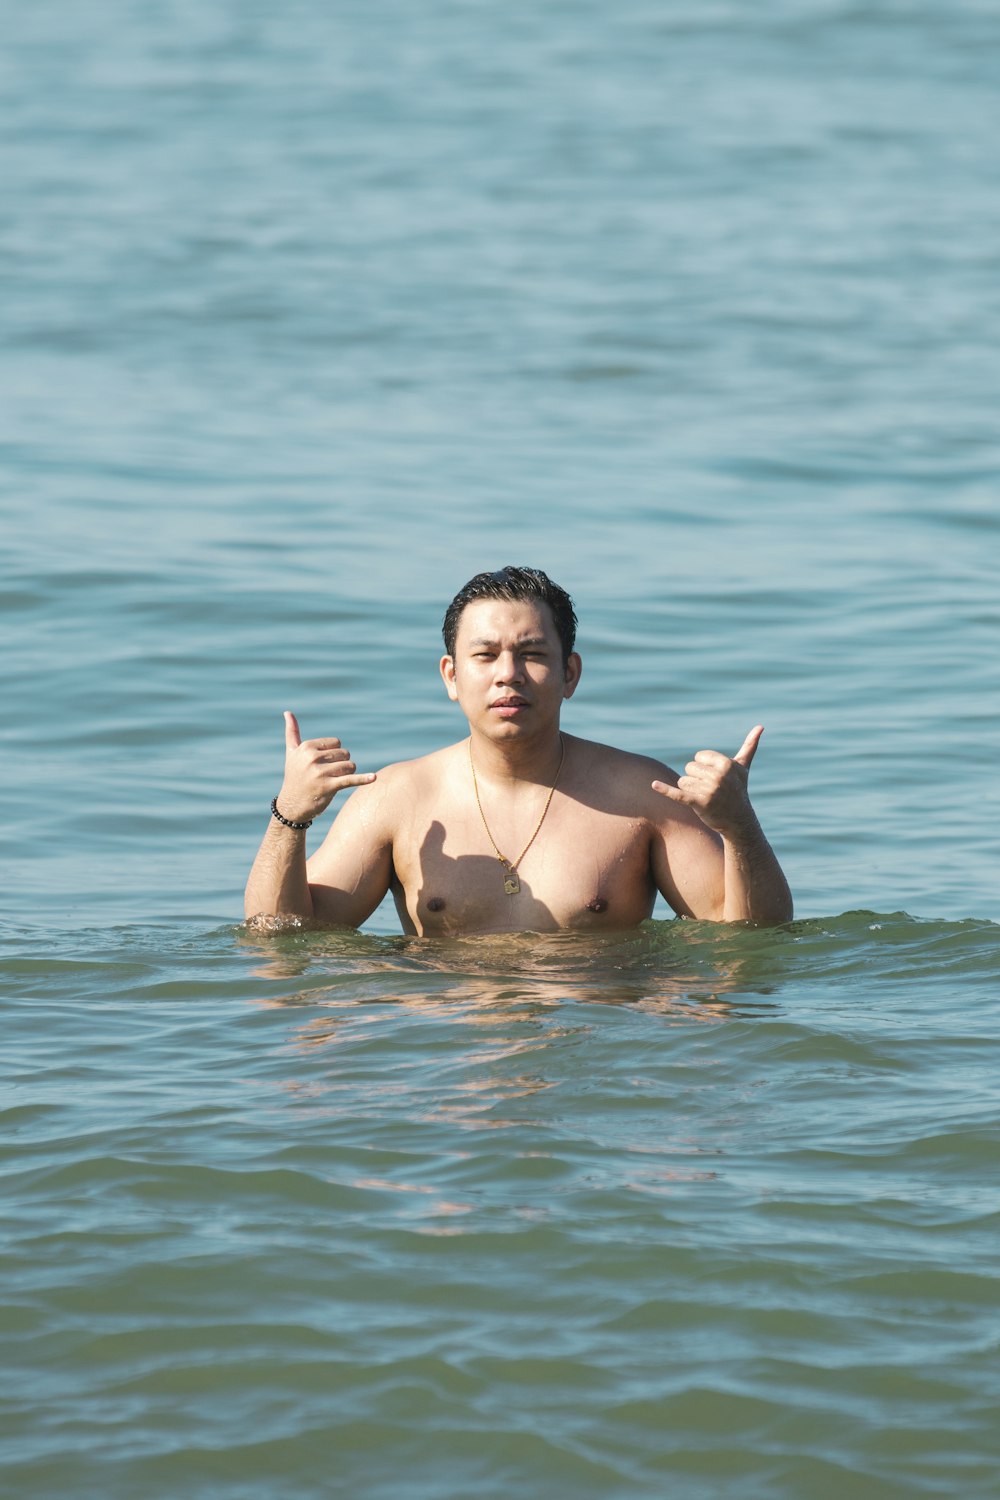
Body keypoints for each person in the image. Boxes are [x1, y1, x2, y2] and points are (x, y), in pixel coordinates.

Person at [244, 566, 792, 933]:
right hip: (448, 1064)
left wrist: (739, 827)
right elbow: (282, 938)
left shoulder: (643, 795)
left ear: (569, 673)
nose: (508, 675)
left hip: (598, 1049)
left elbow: (750, 943)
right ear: (452, 676)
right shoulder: (395, 800)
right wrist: (288, 816)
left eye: (531, 653)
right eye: (485, 656)